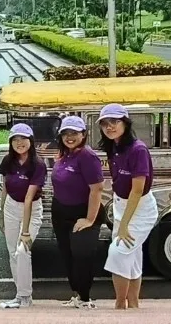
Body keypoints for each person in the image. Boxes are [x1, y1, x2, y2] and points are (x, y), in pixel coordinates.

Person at [97, 104, 158, 309]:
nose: (109, 127)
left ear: (125, 123)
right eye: (105, 123)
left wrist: (123, 224)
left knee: (118, 251)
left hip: (140, 208)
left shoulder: (138, 149)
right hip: (121, 204)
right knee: (131, 254)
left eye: (114, 122)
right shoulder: (113, 146)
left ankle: (119, 303)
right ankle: (133, 303)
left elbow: (137, 190)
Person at [51, 115, 104, 309]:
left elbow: (97, 189)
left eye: (74, 133)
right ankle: (76, 295)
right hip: (60, 212)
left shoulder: (87, 156)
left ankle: (85, 298)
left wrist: (89, 219)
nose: (69, 137)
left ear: (84, 134)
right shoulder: (65, 154)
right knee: (67, 256)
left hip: (83, 212)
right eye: (65, 133)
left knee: (82, 256)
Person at [0, 123, 47, 310]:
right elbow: (5, 188)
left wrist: (25, 231)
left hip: (31, 209)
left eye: (23, 139)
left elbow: (28, 198)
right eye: (15, 139)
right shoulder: (8, 161)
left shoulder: (38, 164)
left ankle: (25, 297)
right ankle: (20, 295)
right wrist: (2, 216)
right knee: (12, 252)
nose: (20, 143)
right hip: (11, 207)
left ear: (31, 141)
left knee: (22, 250)